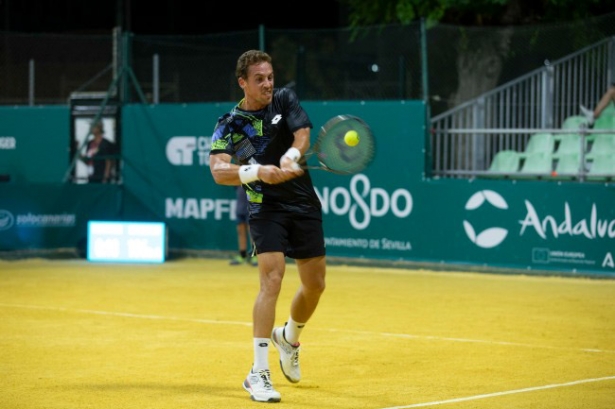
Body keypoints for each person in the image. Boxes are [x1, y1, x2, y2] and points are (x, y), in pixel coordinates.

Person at [209, 50, 326, 403]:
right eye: (259, 79)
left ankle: (289, 337)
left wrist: (291, 156)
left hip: (303, 203)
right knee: (272, 279)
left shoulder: (284, 99)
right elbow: (218, 172)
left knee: (316, 285)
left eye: (270, 76)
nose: (267, 84)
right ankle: (258, 372)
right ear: (242, 82)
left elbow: (302, 134)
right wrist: (257, 171)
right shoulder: (229, 123)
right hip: (265, 207)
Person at [230, 185, 258, 266]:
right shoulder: (238, 179)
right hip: (240, 206)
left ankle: (254, 256)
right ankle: (242, 255)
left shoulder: (256, 180)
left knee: (252, 231)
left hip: (253, 207)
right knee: (240, 230)